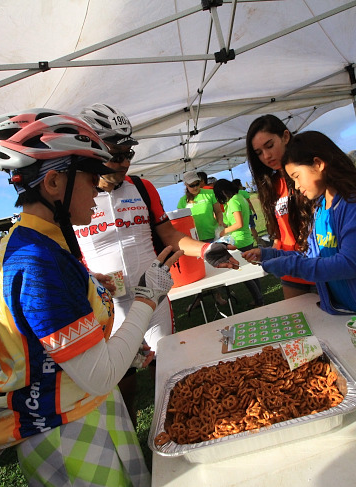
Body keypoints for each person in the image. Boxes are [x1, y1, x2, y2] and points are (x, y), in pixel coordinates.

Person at [0, 108, 182, 486]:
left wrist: (89, 284)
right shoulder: (39, 262)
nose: (100, 187)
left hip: (75, 413)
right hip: (66, 428)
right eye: (90, 178)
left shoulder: (36, 243)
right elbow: (101, 376)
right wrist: (146, 298)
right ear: (54, 183)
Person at [75, 103, 238, 424]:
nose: (124, 163)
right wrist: (91, 278)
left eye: (128, 154)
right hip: (109, 308)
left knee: (171, 369)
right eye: (115, 154)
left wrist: (207, 250)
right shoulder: (77, 196)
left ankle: (190, 426)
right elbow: (68, 258)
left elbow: (169, 235)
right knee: (122, 384)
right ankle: (132, 439)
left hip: (152, 298)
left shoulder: (142, 188)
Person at [242, 131, 356, 339]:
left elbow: (349, 264)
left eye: (296, 176)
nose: (296, 186)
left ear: (318, 164)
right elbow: (312, 257)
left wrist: (289, 266)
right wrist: (270, 255)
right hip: (350, 318)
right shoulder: (321, 207)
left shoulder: (355, 204)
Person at [246, 114, 315, 299]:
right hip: (289, 269)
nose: (266, 156)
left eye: (269, 146)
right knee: (299, 324)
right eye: (259, 152)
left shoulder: (309, 175)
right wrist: (269, 252)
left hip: (318, 265)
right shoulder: (272, 184)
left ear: (285, 137)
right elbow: (280, 230)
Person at [213, 178, 264, 308]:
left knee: (245, 275)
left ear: (223, 192)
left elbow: (239, 223)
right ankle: (259, 298)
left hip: (240, 240)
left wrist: (223, 232)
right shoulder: (240, 197)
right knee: (251, 271)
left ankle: (259, 300)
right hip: (245, 238)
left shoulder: (234, 201)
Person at [177, 170, 223, 242]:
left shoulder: (210, 193)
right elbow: (181, 222)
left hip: (213, 235)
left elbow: (218, 212)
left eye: (197, 184)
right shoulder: (182, 201)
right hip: (195, 238)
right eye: (192, 185)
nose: (195, 187)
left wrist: (220, 223)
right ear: (186, 185)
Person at [233, 178, 260, 245]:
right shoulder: (244, 192)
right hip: (248, 213)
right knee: (252, 228)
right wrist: (254, 211)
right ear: (239, 185)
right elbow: (249, 203)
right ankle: (258, 241)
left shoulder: (233, 194)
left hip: (239, 214)